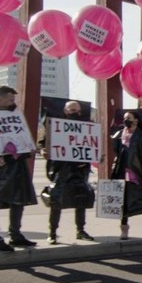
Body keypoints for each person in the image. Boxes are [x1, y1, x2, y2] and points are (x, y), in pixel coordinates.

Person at [0, 86, 38, 252]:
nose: (13, 102)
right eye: (10, 99)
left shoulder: (15, 114)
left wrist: (29, 146)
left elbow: (21, 134)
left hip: (16, 163)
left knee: (18, 200)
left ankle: (15, 235)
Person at [42, 101, 95, 244]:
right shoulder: (57, 126)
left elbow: (93, 145)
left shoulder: (87, 126)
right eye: (72, 110)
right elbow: (44, 143)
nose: (75, 112)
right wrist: (44, 151)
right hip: (62, 171)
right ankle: (52, 232)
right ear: (65, 111)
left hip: (80, 171)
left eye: (77, 110)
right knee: (56, 201)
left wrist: (94, 157)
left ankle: (80, 230)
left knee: (81, 201)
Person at [111, 110, 142, 239]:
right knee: (124, 203)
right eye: (125, 118)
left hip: (138, 173)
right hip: (122, 172)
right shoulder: (119, 135)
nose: (126, 120)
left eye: (129, 118)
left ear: (136, 120)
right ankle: (124, 230)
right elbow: (117, 153)